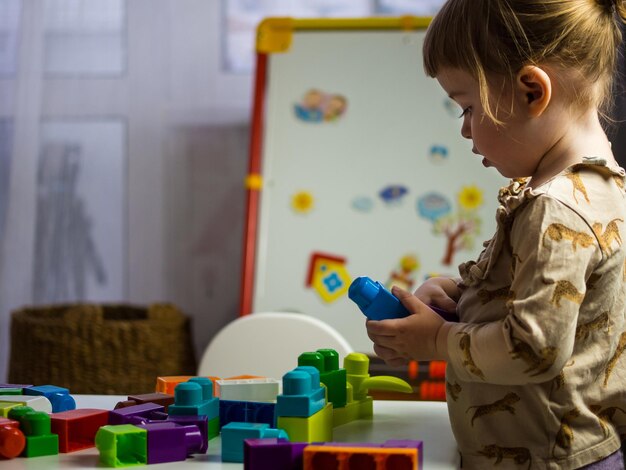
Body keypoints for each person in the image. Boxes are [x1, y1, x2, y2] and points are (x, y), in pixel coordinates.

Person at [365, 0, 626, 468]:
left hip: (544, 458)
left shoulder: (556, 209)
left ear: (531, 91)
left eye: (467, 107)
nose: (464, 130)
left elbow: (533, 348)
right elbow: (549, 308)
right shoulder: (599, 189)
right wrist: (461, 297)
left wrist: (437, 340)